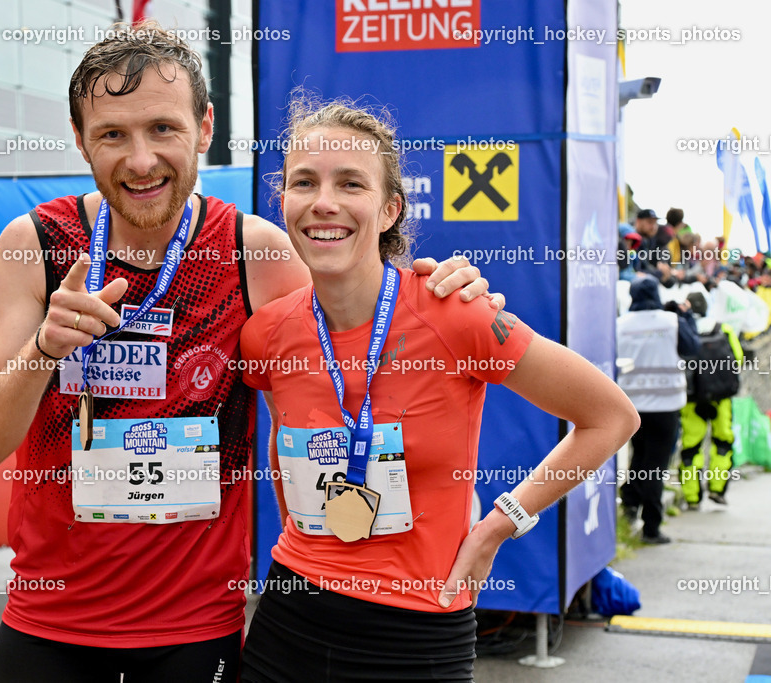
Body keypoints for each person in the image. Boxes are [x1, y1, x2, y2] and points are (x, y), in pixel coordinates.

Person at [0, 21, 497, 682]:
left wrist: (445, 289)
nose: (141, 160)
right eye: (112, 135)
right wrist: (44, 348)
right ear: (79, 139)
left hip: (195, 630)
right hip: (49, 624)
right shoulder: (36, 243)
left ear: (204, 128)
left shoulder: (256, 251)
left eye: (163, 129)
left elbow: (366, 342)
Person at [237, 98, 639, 682]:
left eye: (351, 183)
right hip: (290, 621)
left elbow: (610, 417)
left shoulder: (455, 314)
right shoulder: (266, 333)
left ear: (389, 208)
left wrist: (498, 527)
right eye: (305, 182)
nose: (324, 202)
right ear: (284, 202)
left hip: (419, 630)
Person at [617, 276, 699, 544]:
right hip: (666, 407)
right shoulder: (671, 321)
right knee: (656, 466)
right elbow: (693, 348)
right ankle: (651, 527)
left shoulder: (620, 325)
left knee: (639, 458)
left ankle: (629, 503)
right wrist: (686, 318)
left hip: (632, 407)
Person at [679, 291, 742, 508]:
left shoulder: (685, 330)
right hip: (720, 399)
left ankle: (692, 497)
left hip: (692, 400)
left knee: (691, 447)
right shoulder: (723, 329)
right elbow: (738, 358)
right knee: (722, 442)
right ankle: (717, 489)